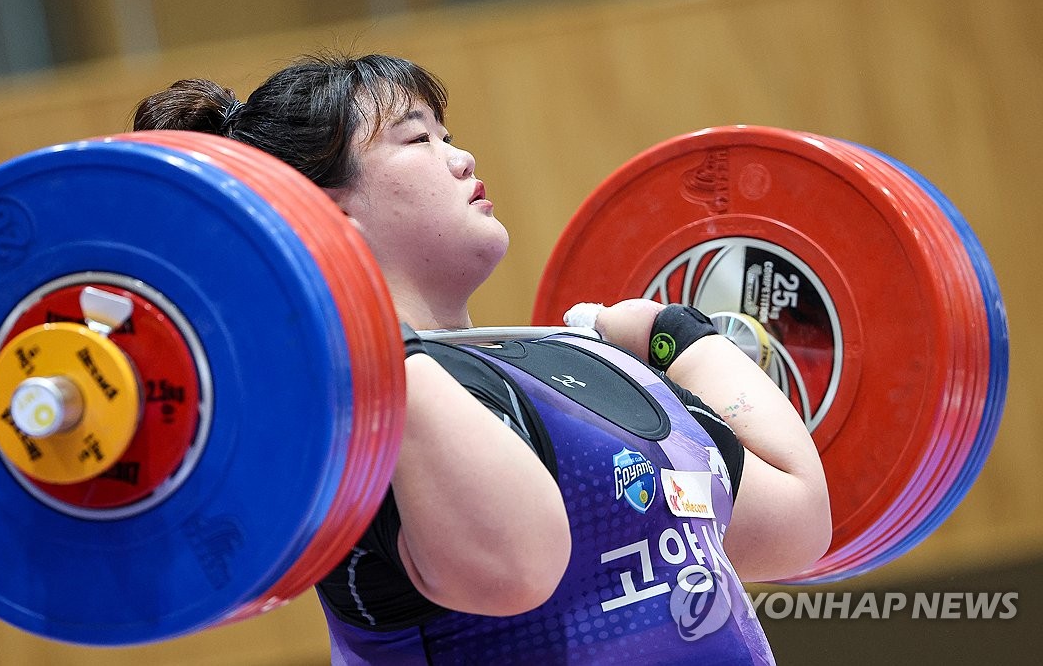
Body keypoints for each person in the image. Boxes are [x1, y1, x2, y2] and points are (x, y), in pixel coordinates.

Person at [132, 53, 830, 665]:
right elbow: (514, 570)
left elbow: (796, 525)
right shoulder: (355, 419)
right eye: (419, 139)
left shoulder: (585, 360)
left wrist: (678, 335)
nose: (460, 157)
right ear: (325, 212)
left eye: (449, 136)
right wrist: (347, 319)